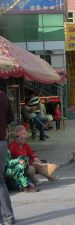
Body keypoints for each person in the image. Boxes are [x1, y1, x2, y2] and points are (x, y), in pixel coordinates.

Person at [0, 90, 15, 225]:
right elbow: (11, 118)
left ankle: (6, 217)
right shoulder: (3, 96)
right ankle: (8, 217)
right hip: (1, 143)